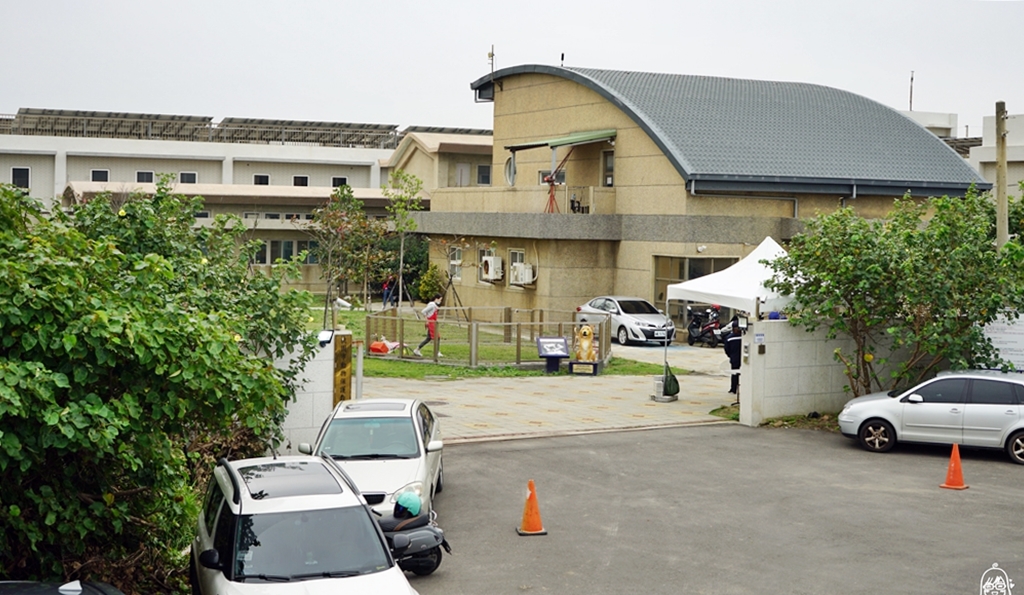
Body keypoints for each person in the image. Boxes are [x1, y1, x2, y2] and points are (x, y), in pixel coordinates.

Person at [723, 321, 742, 403]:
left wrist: (730, 355)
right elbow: (726, 349)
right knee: (735, 374)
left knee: (736, 374)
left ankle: (734, 388)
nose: (738, 330)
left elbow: (727, 349)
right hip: (737, 358)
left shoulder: (729, 337)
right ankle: (734, 388)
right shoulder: (742, 337)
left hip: (735, 358)